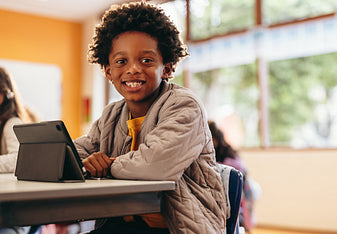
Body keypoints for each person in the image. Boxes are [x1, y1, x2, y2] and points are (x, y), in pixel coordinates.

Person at [74, 2, 227, 233]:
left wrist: (107, 165)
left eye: (146, 60)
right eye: (121, 61)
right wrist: (79, 162)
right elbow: (79, 153)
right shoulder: (111, 115)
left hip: (177, 228)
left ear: (166, 68)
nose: (133, 69)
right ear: (108, 71)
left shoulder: (185, 105)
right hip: (120, 224)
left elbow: (156, 165)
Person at [208, 120, 257, 232]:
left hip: (241, 186)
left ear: (214, 139)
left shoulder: (227, 154)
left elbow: (235, 172)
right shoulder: (222, 151)